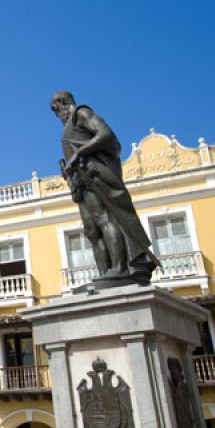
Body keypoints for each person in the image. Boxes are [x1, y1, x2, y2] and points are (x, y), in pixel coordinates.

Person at [51, 90, 157, 287]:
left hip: (96, 176)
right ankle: (104, 273)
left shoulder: (81, 114)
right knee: (91, 229)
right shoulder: (69, 126)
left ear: (64, 104)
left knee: (104, 218)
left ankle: (120, 268)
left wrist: (79, 152)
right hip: (81, 182)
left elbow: (106, 135)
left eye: (58, 111)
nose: (59, 117)